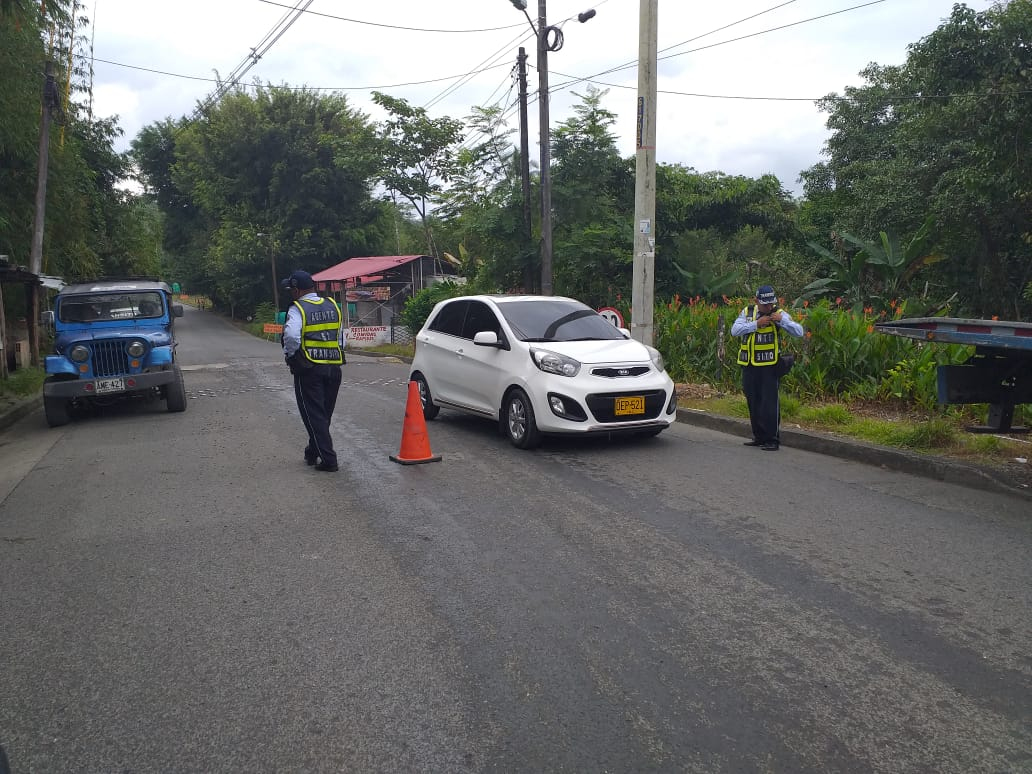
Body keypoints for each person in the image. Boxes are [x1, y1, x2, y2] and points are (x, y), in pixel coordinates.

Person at [281, 269, 344, 472]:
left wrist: (291, 356)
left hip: (309, 368)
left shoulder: (298, 308)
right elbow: (340, 336)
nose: (291, 293)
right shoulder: (332, 304)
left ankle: (329, 460)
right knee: (323, 414)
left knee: (313, 414)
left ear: (297, 290)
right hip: (334, 367)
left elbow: (291, 336)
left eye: (291, 290)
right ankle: (312, 451)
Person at [731, 284, 804, 451]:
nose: (769, 308)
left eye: (771, 304)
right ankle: (759, 436)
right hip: (749, 366)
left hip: (769, 367)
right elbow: (734, 330)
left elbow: (799, 332)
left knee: (769, 404)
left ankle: (772, 439)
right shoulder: (748, 312)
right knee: (753, 402)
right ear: (756, 301)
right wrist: (756, 324)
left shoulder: (779, 314)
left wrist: (782, 321)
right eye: (765, 305)